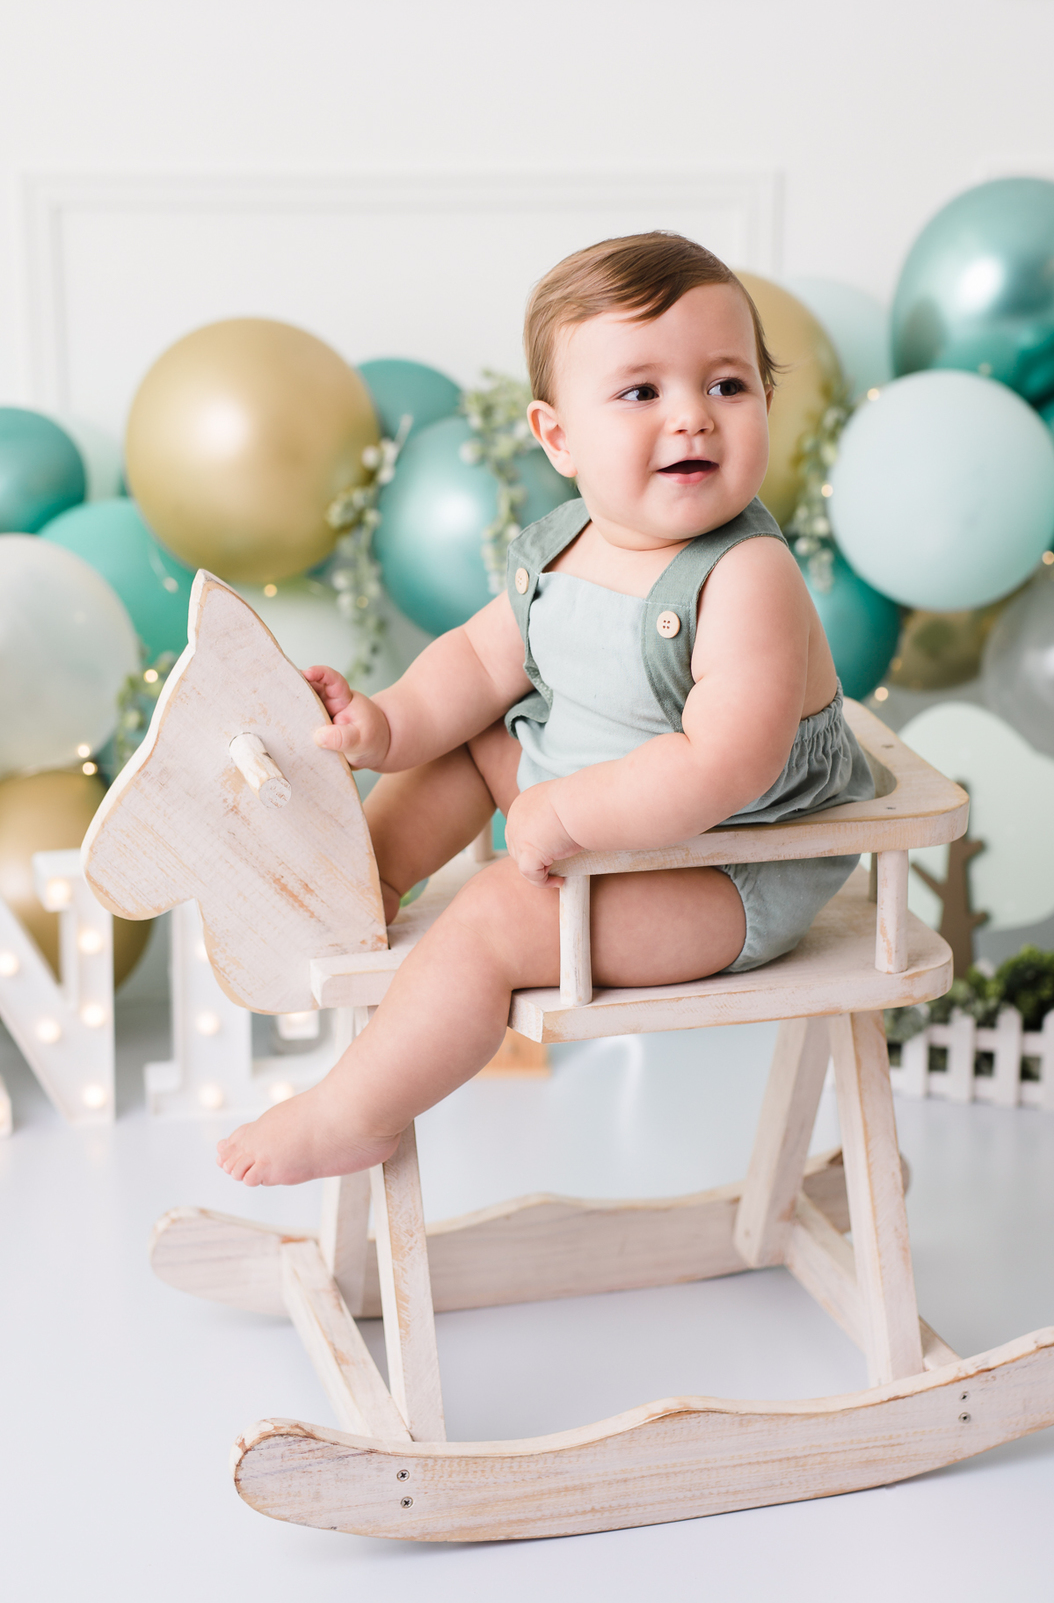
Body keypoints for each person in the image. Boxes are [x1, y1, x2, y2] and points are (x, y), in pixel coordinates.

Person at [217, 231, 874, 1187]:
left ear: (767, 401)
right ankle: (365, 888)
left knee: (492, 918)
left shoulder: (747, 576)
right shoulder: (564, 544)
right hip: (596, 812)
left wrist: (564, 814)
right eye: (643, 392)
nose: (693, 417)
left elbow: (720, 764)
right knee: (469, 738)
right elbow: (482, 658)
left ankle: (356, 1112)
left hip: (725, 870)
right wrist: (388, 725)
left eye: (728, 384)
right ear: (558, 437)